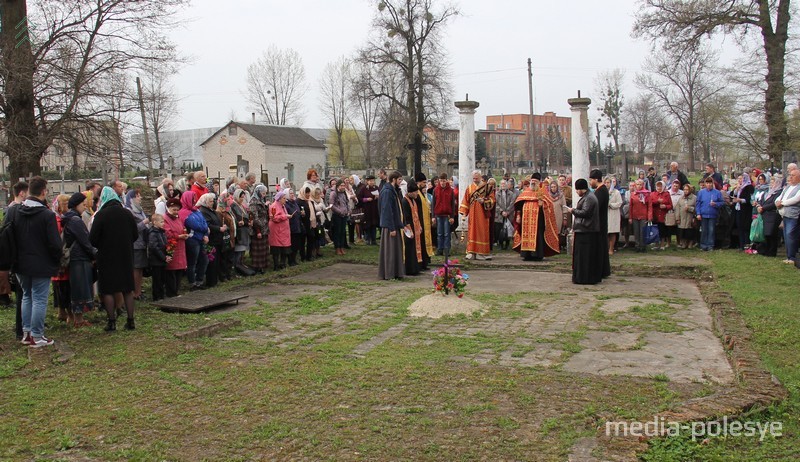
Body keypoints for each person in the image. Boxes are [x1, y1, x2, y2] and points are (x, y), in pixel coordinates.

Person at [14, 177, 62, 347]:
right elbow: (55, 243)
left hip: (21, 262)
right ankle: (37, 335)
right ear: (43, 191)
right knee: (39, 299)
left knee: (27, 296)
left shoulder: (17, 211)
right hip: (41, 263)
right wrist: (56, 258)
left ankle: (27, 333)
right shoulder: (47, 215)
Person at [90, 186, 138, 331]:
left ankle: (111, 321)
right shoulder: (127, 213)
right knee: (127, 288)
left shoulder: (101, 215)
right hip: (125, 254)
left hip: (107, 255)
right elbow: (135, 234)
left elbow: (92, 238)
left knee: (108, 289)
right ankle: (130, 320)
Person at [63, 192, 95, 326]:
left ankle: (77, 317)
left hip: (77, 256)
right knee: (80, 288)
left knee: (78, 287)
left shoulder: (70, 218)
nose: (85, 206)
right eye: (83, 204)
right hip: (79, 256)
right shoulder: (75, 220)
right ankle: (79, 319)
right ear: (76, 205)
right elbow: (84, 240)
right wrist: (94, 254)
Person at [512, 174, 560, 261]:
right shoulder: (526, 191)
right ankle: (527, 255)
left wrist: (542, 205)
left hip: (538, 220)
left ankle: (537, 255)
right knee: (525, 235)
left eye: (535, 181)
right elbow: (519, 204)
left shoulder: (543, 192)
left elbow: (549, 205)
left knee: (538, 236)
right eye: (532, 181)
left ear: (539, 182)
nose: (533, 183)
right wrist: (518, 215)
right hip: (525, 221)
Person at [569, 179, 601, 285]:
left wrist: (572, 211)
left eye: (577, 190)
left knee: (584, 256)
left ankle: (584, 277)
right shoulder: (588, 196)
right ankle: (581, 277)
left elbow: (585, 212)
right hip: (585, 229)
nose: (577, 192)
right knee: (582, 256)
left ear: (581, 189)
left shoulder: (589, 198)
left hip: (586, 230)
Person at [459, 170, 495, 260]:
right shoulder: (470, 188)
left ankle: (481, 253)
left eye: (476, 178)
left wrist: (484, 201)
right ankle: (471, 252)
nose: (475, 180)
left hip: (483, 215)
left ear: (480, 177)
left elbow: (492, 200)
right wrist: (464, 212)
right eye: (473, 178)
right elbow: (465, 201)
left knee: (482, 232)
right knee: (472, 232)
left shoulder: (487, 187)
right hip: (472, 215)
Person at [379, 171, 405, 280]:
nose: (400, 182)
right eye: (399, 179)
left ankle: (396, 272)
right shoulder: (387, 191)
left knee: (395, 250)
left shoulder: (394, 190)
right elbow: (387, 210)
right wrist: (391, 227)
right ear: (393, 179)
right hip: (390, 225)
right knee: (390, 250)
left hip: (395, 223)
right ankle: (389, 273)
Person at [124, 189, 150, 300]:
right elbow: (131, 229)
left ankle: (138, 291)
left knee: (140, 270)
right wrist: (144, 223)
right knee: (135, 269)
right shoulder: (129, 211)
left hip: (142, 243)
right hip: (135, 244)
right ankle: (135, 292)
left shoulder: (139, 211)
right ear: (131, 198)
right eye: (137, 196)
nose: (140, 198)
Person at [181, 191, 210, 289]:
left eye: (195, 198)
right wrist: (204, 229)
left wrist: (206, 234)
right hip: (192, 240)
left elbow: (204, 223)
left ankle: (199, 281)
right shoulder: (184, 213)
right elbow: (195, 225)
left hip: (201, 239)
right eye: (192, 198)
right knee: (192, 262)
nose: (194, 200)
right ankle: (192, 283)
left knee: (204, 260)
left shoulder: (196, 211)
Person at [51, 195, 72, 326]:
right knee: (63, 288)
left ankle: (62, 311)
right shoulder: (57, 220)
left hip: (59, 259)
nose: (68, 205)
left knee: (61, 287)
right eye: (66, 203)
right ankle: (67, 313)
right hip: (61, 258)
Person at [163, 198, 189, 296]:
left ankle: (176, 291)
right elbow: (167, 233)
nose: (176, 212)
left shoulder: (178, 218)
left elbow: (182, 228)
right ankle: (171, 294)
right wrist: (178, 236)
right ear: (168, 208)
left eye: (177, 210)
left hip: (180, 248)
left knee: (179, 272)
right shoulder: (165, 218)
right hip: (172, 248)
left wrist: (185, 234)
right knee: (171, 273)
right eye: (174, 210)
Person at [199, 193, 225, 287]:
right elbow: (208, 224)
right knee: (211, 261)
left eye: (213, 200)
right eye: (210, 201)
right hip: (211, 239)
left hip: (217, 239)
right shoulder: (203, 211)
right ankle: (211, 281)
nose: (212, 202)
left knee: (216, 261)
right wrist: (219, 228)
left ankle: (215, 280)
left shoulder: (211, 210)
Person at [776, 168, 800, 263]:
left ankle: (793, 257)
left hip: (793, 215)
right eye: (790, 175)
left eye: (793, 175)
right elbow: (780, 196)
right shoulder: (788, 187)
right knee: (786, 236)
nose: (791, 177)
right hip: (784, 215)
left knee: (790, 235)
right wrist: (777, 202)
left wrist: (783, 203)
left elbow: (796, 199)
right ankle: (788, 256)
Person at [589, 170, 610, 278]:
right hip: (600, 222)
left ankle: (601, 270)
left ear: (596, 179)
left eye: (591, 180)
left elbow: (595, 206)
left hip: (599, 223)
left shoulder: (601, 191)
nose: (590, 182)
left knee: (600, 247)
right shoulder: (600, 190)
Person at [756, 174, 783, 257]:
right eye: (770, 183)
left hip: (773, 215)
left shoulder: (779, 192)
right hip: (765, 215)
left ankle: (772, 251)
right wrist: (758, 206)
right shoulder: (767, 192)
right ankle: (766, 250)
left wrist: (763, 208)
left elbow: (774, 203)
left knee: (771, 233)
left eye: (773, 182)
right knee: (766, 234)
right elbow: (761, 200)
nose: (771, 184)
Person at [401, 181, 424, 275]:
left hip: (416, 227)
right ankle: (410, 269)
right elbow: (406, 217)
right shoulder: (405, 201)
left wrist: (419, 226)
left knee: (415, 248)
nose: (417, 194)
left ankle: (415, 268)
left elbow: (416, 214)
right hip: (409, 228)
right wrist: (409, 230)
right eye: (415, 192)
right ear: (410, 192)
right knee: (410, 249)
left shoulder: (413, 200)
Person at [696, 178, 724, 251]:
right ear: (705, 184)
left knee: (711, 230)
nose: (709, 185)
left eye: (710, 183)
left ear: (712, 184)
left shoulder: (717, 193)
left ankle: (710, 245)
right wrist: (698, 213)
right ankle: (703, 245)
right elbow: (698, 203)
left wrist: (716, 204)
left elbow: (722, 203)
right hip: (703, 214)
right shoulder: (701, 193)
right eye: (707, 183)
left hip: (713, 215)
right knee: (704, 230)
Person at [433, 173, 456, 255]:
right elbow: (433, 203)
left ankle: (446, 249)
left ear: (446, 181)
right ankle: (440, 249)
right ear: (439, 181)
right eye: (441, 181)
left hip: (447, 215)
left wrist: (452, 216)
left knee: (447, 233)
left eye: (444, 181)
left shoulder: (450, 190)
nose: (442, 183)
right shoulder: (436, 190)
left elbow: (452, 204)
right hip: (438, 214)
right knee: (439, 233)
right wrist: (433, 216)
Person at [414, 173, 435, 266]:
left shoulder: (422, 193)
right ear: (418, 183)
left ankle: (426, 260)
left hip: (426, 221)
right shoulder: (417, 194)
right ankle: (422, 261)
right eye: (423, 182)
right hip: (420, 221)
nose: (425, 184)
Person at [249, 185, 270, 274]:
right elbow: (254, 217)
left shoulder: (261, 200)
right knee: (258, 249)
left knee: (264, 249)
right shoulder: (253, 202)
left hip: (264, 227)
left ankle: (263, 266)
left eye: (265, 193)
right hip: (257, 228)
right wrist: (260, 227)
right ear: (258, 192)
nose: (264, 195)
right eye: (263, 193)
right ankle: (257, 267)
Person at [269, 189, 292, 270]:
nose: (285, 200)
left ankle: (282, 263)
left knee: (284, 248)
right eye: (284, 198)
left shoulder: (283, 206)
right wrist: (285, 216)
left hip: (283, 231)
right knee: (276, 249)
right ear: (279, 198)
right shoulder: (274, 206)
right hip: (277, 231)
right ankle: (276, 265)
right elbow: (274, 218)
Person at [148, 213, 169, 301]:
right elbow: (154, 247)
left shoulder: (161, 232)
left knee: (162, 278)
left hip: (162, 259)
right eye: (161, 222)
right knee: (157, 279)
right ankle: (156, 296)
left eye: (163, 221)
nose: (163, 223)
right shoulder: (153, 233)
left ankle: (161, 294)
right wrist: (163, 257)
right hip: (156, 260)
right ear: (155, 222)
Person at [731, 173, 754, 250]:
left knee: (746, 228)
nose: (740, 180)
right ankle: (741, 245)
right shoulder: (739, 187)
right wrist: (736, 190)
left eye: (741, 178)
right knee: (739, 227)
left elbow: (749, 199)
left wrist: (740, 200)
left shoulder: (749, 187)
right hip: (738, 209)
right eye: (739, 179)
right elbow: (732, 194)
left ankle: (746, 245)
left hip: (746, 210)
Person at [629, 179, 652, 253]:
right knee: (636, 232)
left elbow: (650, 206)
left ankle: (643, 246)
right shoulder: (633, 194)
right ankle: (637, 246)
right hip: (635, 215)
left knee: (642, 232)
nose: (639, 186)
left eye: (640, 184)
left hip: (643, 215)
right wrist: (630, 217)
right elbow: (630, 206)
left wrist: (649, 217)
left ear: (643, 185)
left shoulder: (647, 194)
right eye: (637, 184)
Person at [231, 188, 252, 273]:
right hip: (240, 232)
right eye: (241, 197)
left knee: (242, 252)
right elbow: (238, 217)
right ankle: (237, 267)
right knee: (238, 251)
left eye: (243, 197)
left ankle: (241, 266)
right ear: (236, 196)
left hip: (244, 230)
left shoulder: (241, 205)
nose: (242, 199)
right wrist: (247, 222)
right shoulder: (234, 205)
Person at [649, 181, 673, 250]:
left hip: (663, 215)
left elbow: (670, 205)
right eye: (658, 186)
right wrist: (657, 202)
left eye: (660, 186)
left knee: (662, 230)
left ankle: (662, 244)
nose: (659, 188)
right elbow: (650, 203)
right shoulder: (653, 194)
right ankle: (656, 244)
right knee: (655, 230)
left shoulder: (666, 194)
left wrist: (665, 206)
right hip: (655, 215)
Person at [495, 179, 518, 250]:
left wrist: (507, 212)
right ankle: (500, 244)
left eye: (504, 184)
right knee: (499, 230)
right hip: (499, 215)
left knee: (509, 230)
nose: (503, 185)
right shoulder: (497, 194)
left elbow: (512, 203)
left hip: (509, 214)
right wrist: (501, 211)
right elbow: (496, 204)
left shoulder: (511, 194)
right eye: (502, 184)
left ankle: (507, 244)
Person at [330, 179, 350, 255]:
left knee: (342, 232)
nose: (343, 187)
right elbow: (331, 205)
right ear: (338, 186)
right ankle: (337, 247)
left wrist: (348, 210)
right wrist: (339, 211)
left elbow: (346, 202)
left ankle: (342, 247)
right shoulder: (334, 193)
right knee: (337, 232)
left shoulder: (344, 193)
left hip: (344, 215)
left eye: (344, 185)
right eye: (341, 185)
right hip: (337, 216)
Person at [359, 175, 380, 245]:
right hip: (367, 209)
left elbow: (381, 196)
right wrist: (366, 199)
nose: (372, 182)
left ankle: (374, 240)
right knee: (367, 224)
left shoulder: (376, 188)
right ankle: (368, 239)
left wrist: (378, 197)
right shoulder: (364, 189)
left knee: (374, 224)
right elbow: (359, 198)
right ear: (367, 182)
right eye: (370, 181)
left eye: (373, 181)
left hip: (374, 209)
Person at [676, 184, 697, 249]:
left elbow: (697, 208)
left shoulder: (694, 198)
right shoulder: (681, 198)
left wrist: (690, 209)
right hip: (682, 218)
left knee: (690, 231)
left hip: (690, 218)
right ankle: (684, 243)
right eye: (684, 189)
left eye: (687, 189)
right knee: (682, 232)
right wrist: (677, 218)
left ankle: (690, 243)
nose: (685, 191)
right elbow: (677, 208)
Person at [285, 189, 303, 266]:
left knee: (296, 245)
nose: (292, 194)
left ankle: (294, 259)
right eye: (290, 193)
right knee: (292, 245)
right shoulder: (286, 204)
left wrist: (302, 213)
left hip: (297, 226)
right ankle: (290, 260)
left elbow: (297, 212)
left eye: (293, 193)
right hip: (291, 227)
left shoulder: (295, 203)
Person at [605, 177, 623, 255]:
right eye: (605, 182)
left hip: (613, 213)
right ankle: (605, 248)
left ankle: (611, 248)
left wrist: (610, 205)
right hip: (605, 214)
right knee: (605, 232)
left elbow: (619, 203)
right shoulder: (602, 192)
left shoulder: (616, 192)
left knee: (612, 232)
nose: (606, 184)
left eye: (608, 183)